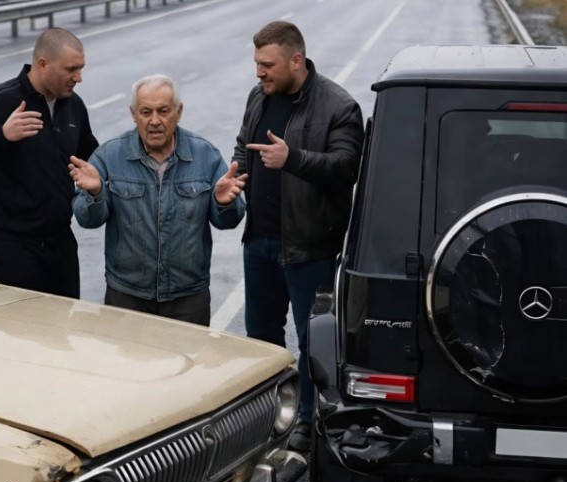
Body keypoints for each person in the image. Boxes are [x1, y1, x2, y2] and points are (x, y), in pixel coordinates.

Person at [232, 21, 365, 451]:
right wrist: (235, 177)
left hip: (310, 248)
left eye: (267, 65)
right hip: (260, 242)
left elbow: (346, 168)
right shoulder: (259, 96)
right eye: (257, 64)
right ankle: (268, 417)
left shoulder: (338, 107)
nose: (259, 73)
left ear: (295, 60)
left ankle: (307, 420)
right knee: (261, 339)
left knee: (311, 343)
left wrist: (293, 159)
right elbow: (244, 145)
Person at [70, 74, 247, 326]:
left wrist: (224, 203)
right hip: (127, 296)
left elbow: (228, 221)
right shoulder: (109, 155)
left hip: (188, 297)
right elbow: (87, 220)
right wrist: (94, 193)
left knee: (189, 354)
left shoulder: (205, 155)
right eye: (146, 112)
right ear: (133, 114)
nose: (154, 121)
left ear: (178, 112)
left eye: (163, 111)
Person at [0, 27, 99, 299]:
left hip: (60, 243)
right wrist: (0, 134)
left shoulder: (73, 105)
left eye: (81, 68)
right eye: (71, 69)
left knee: (65, 322)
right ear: (42, 64)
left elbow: (91, 154)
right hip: (10, 246)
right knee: (15, 324)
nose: (79, 78)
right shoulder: (1, 100)